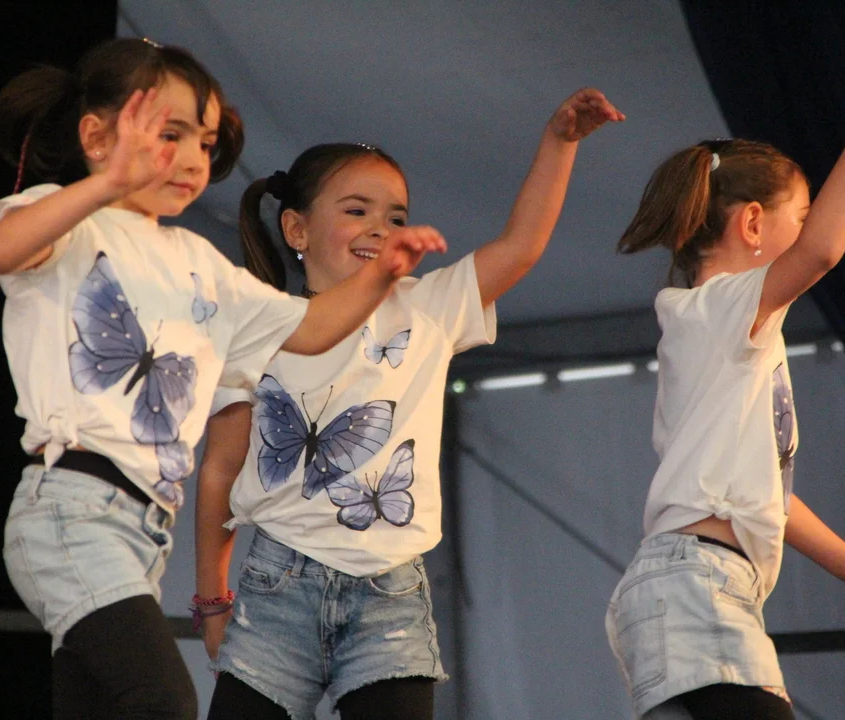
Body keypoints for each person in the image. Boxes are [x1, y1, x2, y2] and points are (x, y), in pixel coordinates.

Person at [0, 37, 443, 720]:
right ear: (97, 137)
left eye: (205, 141)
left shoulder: (199, 262)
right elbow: (1, 248)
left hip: (143, 529)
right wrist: (106, 183)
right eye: (169, 135)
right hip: (70, 506)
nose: (193, 158)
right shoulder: (67, 220)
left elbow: (309, 327)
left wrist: (382, 273)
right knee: (163, 699)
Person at [195, 88, 624, 720]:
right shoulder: (258, 325)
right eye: (357, 210)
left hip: (389, 591)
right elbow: (219, 471)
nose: (381, 228)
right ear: (296, 229)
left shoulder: (426, 305)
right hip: (278, 582)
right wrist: (211, 599)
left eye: (396, 218)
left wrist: (560, 142)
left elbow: (521, 246)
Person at [605, 113, 845, 719]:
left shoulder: (721, 331)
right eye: (802, 215)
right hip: (699, 584)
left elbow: (770, 497)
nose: (809, 229)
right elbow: (823, 251)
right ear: (753, 222)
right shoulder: (721, 307)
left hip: (682, 590)